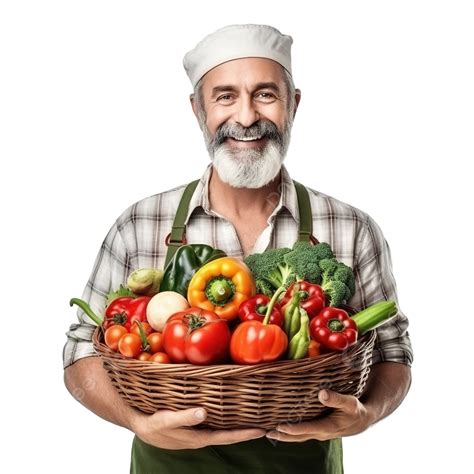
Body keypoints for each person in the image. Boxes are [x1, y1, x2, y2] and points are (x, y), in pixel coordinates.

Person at [63, 24, 413, 473]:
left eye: (266, 94)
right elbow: (80, 351)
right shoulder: (138, 224)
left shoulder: (351, 228)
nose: (246, 117)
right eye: (225, 96)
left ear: (294, 104)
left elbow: (393, 351)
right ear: (197, 109)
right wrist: (137, 421)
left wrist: (367, 415)